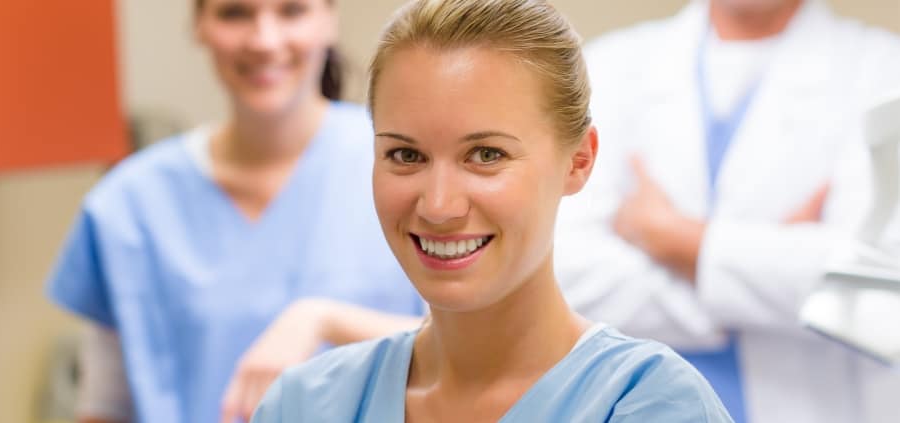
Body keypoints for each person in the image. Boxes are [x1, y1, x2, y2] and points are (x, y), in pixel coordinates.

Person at [251, 0, 732, 421]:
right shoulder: (305, 405)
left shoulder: (648, 405)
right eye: (406, 155)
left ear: (579, 160)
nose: (439, 206)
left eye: (486, 155)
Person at [46, 0, 425, 422]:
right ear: (199, 26)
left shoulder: (406, 167)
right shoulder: (130, 205)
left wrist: (321, 320)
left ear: (328, 21)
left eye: (292, 11)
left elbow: (480, 352)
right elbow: (106, 406)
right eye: (235, 13)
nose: (264, 40)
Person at [554, 0, 900, 422]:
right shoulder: (609, 67)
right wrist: (768, 268)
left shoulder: (883, 70)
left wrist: (674, 239)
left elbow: (876, 286)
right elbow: (567, 274)